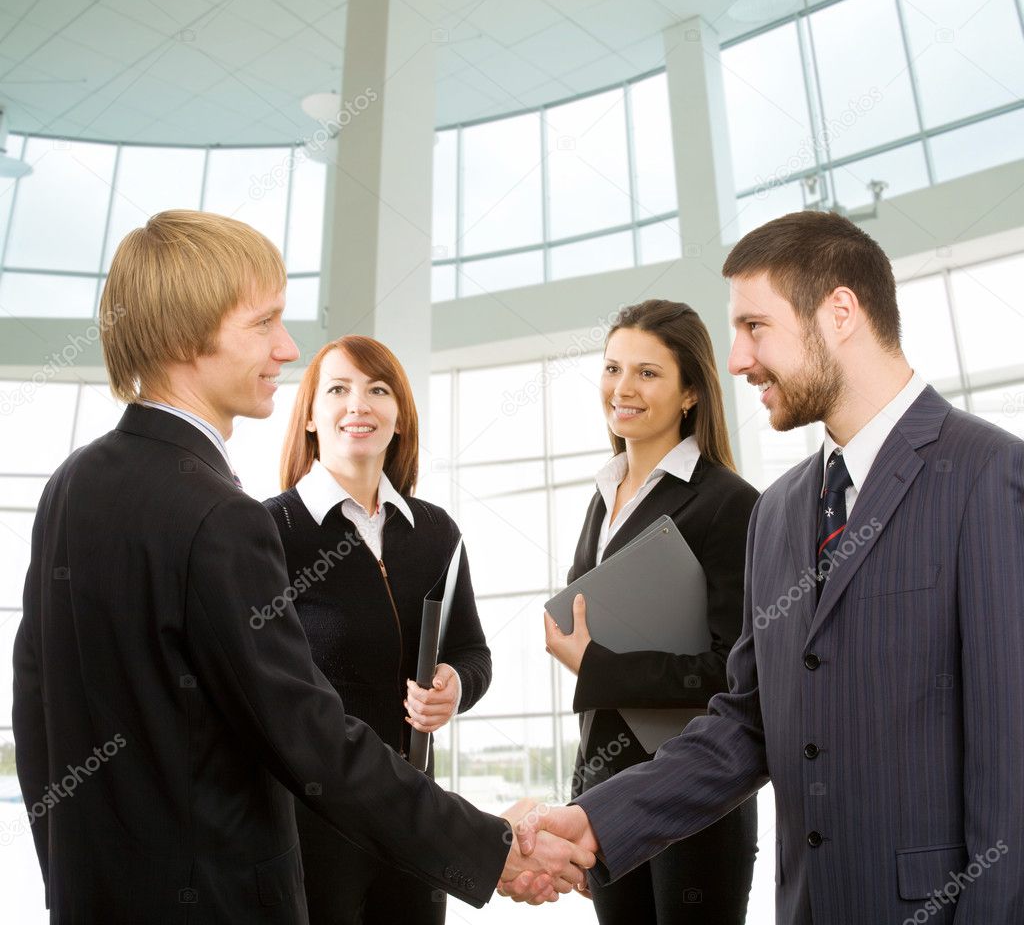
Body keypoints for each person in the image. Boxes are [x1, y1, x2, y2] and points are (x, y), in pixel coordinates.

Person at [12, 210, 594, 924]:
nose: (287, 349)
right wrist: (491, 845)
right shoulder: (225, 517)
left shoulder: (73, 482)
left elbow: (38, 712)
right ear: (182, 336)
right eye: (264, 324)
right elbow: (307, 734)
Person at [512, 211, 1024, 924]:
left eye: (756, 327)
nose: (736, 360)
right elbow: (748, 722)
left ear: (840, 312)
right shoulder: (780, 511)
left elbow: (1012, 758)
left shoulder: (989, 474)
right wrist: (597, 820)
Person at [542, 299, 757, 923]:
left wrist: (595, 664)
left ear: (691, 391)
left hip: (694, 791)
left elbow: (734, 674)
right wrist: (584, 796)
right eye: (612, 369)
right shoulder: (600, 498)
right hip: (605, 794)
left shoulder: (728, 503)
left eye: (647, 373)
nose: (622, 388)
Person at [265, 335, 492, 924]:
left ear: (399, 416)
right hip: (312, 817)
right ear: (311, 417)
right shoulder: (268, 529)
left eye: (377, 389)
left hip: (413, 809)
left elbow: (471, 650)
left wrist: (454, 686)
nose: (358, 405)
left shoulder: (436, 533)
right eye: (337, 390)